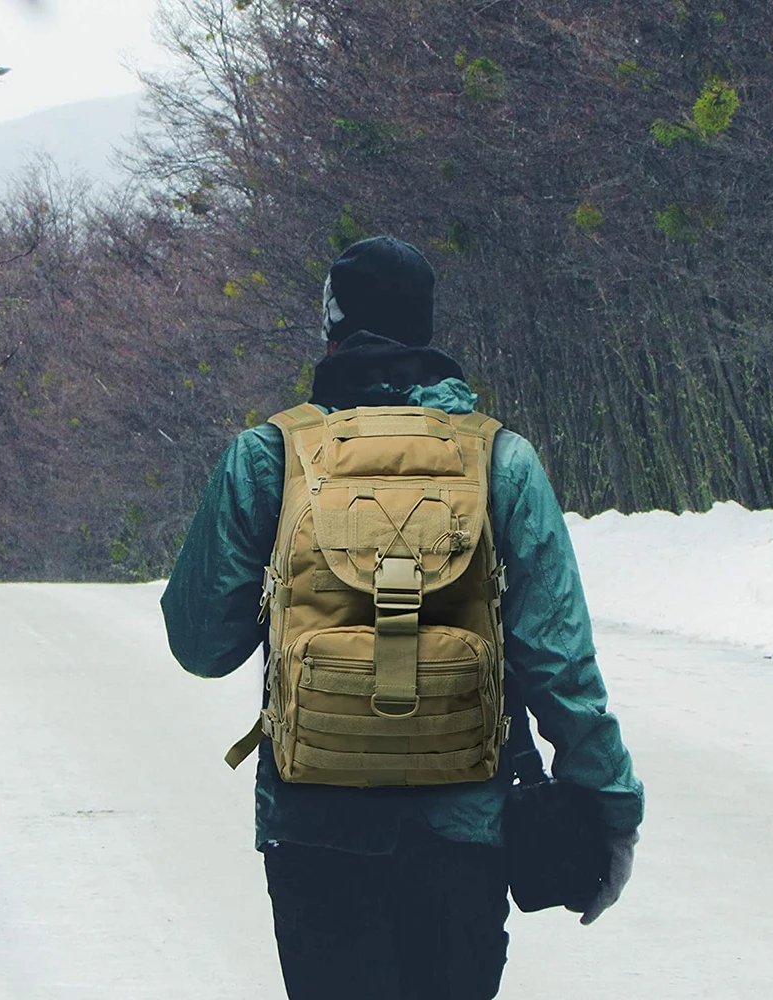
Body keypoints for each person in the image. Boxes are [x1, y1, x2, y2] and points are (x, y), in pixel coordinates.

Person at [160, 236, 644, 1000]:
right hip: (464, 829)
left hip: (314, 826)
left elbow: (201, 644)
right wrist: (610, 808)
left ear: (332, 328)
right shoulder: (500, 459)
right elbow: (559, 660)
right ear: (426, 329)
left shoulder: (266, 457)